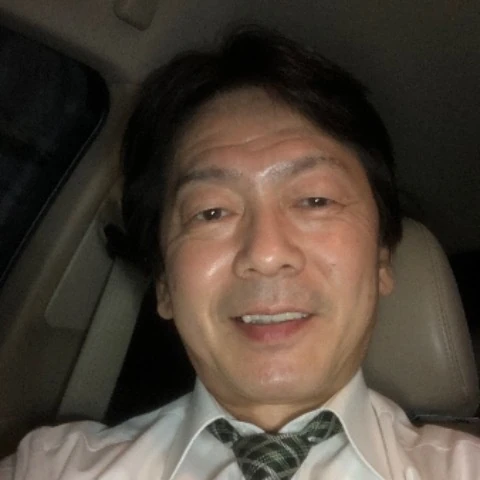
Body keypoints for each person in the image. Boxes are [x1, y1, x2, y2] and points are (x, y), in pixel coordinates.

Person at [1, 26, 479, 480]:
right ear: (164, 284)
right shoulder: (52, 468)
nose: (266, 254)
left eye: (316, 200)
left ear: (381, 260)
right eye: (211, 212)